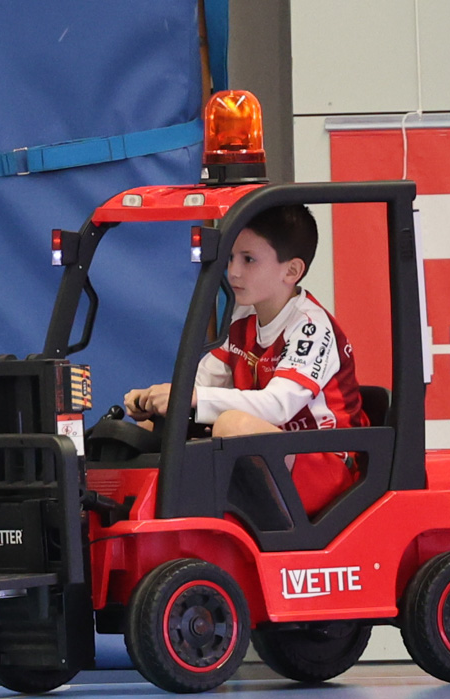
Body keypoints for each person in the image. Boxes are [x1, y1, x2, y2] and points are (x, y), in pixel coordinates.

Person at [123, 204, 368, 516]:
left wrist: (191, 397)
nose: (233, 272)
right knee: (154, 425)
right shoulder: (243, 319)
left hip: (326, 466)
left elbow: (278, 405)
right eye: (230, 258)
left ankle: (245, 524)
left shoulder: (311, 327)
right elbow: (201, 383)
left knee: (233, 425)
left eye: (248, 260)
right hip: (280, 457)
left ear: (292, 271)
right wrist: (155, 400)